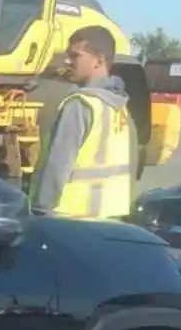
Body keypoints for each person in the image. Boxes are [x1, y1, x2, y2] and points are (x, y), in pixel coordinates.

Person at [32, 26, 137, 218]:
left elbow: (57, 166)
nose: (67, 61)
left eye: (75, 56)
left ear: (100, 60)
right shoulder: (119, 106)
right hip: (110, 219)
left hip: (69, 219)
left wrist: (42, 210)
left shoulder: (79, 105)